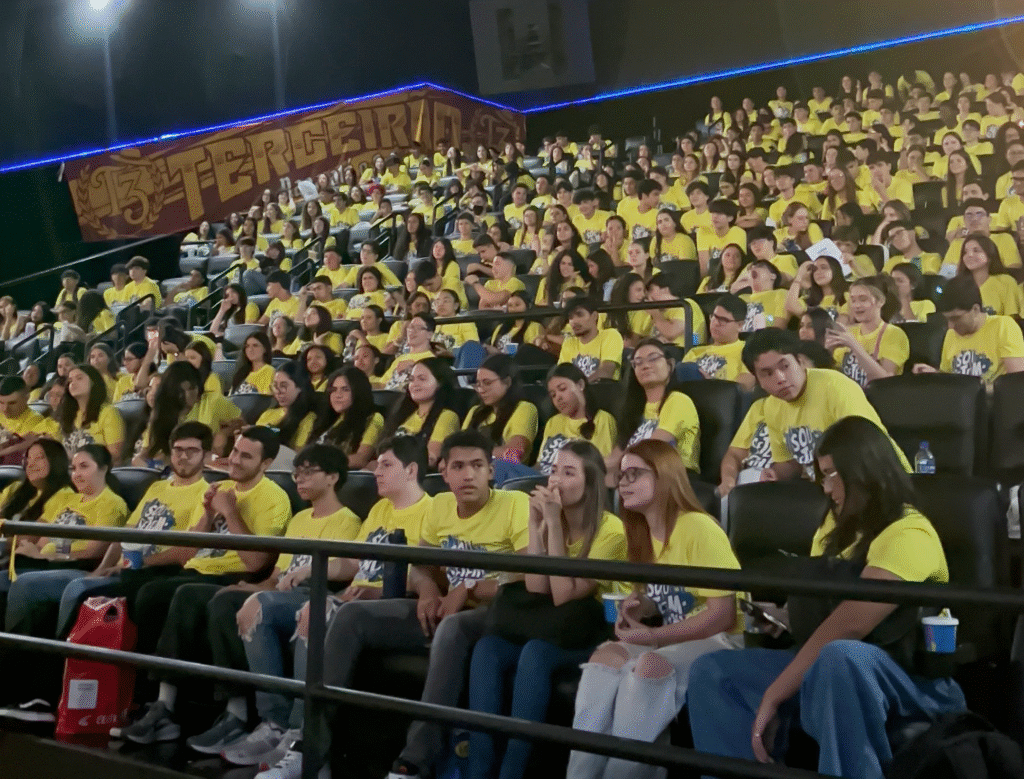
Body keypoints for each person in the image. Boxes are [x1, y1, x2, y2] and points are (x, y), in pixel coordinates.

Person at [689, 416, 967, 779]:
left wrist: (775, 692)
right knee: (713, 672)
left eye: (833, 474)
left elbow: (849, 625)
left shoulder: (909, 532)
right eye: (822, 475)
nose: (826, 487)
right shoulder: (834, 527)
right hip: (832, 666)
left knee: (840, 656)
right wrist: (786, 618)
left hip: (911, 680)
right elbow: (829, 610)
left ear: (866, 472)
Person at [293, 430, 527, 779]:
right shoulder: (442, 506)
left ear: (491, 471)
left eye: (478, 465)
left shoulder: (514, 504)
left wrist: (469, 587)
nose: (468, 475)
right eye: (458, 466)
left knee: (450, 628)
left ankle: (412, 764)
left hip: (495, 612)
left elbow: (528, 575)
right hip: (444, 605)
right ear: (443, 473)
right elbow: (420, 564)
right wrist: (428, 589)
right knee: (352, 615)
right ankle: (310, 751)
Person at [214, 437, 433, 777]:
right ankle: (275, 723)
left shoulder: (432, 511)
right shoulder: (379, 509)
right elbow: (352, 566)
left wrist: (361, 594)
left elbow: (424, 578)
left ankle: (304, 737)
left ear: (412, 470)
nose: (375, 470)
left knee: (312, 612)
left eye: (385, 464)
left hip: (382, 607)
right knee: (255, 606)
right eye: (375, 463)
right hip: (350, 597)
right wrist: (313, 569)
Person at [0, 426, 210, 720]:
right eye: (177, 449)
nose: (183, 456)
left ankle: (51, 691)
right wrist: (104, 567)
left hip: (154, 572)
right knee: (24, 588)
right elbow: (125, 533)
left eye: (192, 450)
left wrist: (109, 566)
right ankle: (19, 684)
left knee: (60, 589)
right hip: (118, 568)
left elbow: (188, 549)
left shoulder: (204, 494)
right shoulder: (157, 487)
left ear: (207, 455)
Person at [170, 444, 361, 767]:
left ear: (332, 477)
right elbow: (277, 575)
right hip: (280, 594)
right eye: (296, 473)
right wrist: (252, 587)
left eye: (308, 472)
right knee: (230, 599)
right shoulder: (300, 518)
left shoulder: (347, 521)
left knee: (258, 604)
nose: (299, 479)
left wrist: (261, 593)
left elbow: (340, 573)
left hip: (313, 595)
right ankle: (268, 720)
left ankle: (293, 727)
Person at [567, 438, 741, 779]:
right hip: (673, 640)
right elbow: (667, 600)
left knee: (647, 665)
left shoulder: (697, 526)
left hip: (724, 641)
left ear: (664, 476)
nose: (624, 482)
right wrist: (639, 609)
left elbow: (723, 615)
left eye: (635, 474)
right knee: (605, 657)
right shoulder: (640, 531)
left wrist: (654, 636)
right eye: (622, 475)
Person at [120, 427, 291, 743]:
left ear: (266, 463)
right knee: (150, 593)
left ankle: (201, 709)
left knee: (187, 595)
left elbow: (257, 563)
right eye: (235, 452)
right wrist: (209, 515)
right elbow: (192, 551)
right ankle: (155, 701)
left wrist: (230, 512)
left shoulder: (274, 497)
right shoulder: (222, 486)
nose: (235, 461)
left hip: (238, 575)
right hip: (200, 569)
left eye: (246, 456)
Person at [468, 441, 627, 779]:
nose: (556, 480)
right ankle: (477, 769)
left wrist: (553, 525)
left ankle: (513, 770)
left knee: (536, 654)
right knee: (488, 649)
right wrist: (534, 520)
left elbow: (563, 595)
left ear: (590, 482)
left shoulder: (611, 530)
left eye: (569, 473)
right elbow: (536, 586)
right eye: (554, 470)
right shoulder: (552, 519)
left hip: (589, 631)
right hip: (550, 626)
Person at [742, 328, 905, 481]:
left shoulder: (835, 386)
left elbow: (866, 452)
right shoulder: (772, 407)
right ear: (758, 381)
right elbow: (790, 463)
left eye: (785, 366)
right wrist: (775, 474)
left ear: (800, 362)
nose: (780, 378)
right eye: (767, 373)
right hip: (830, 489)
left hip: (881, 479)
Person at [605, 339, 700, 482]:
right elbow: (615, 458)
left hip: (674, 478)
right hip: (636, 474)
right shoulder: (633, 409)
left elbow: (651, 448)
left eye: (653, 358)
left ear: (670, 365)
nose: (646, 366)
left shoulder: (678, 400)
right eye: (638, 362)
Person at [913, 274, 1024, 385]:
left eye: (956, 318)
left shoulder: (1004, 326)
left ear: (975, 309)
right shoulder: (951, 334)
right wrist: (935, 374)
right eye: (947, 319)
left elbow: (1015, 383)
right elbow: (949, 378)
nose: (950, 326)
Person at [463, 355, 539, 480]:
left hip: (507, 480)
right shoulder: (475, 412)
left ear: (507, 382)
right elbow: (458, 447)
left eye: (487, 383)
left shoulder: (524, 408)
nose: (481, 390)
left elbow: (513, 454)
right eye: (478, 384)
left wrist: (469, 454)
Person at [535, 363, 617, 476]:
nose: (558, 398)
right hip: (543, 479)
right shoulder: (553, 422)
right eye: (553, 395)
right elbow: (541, 463)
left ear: (580, 385)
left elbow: (600, 466)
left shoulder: (602, 419)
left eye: (562, 389)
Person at [825, 278, 909, 387]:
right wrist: (828, 351)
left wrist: (853, 345)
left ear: (881, 301)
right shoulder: (849, 332)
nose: (856, 305)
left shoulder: (894, 334)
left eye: (863, 299)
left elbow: (886, 381)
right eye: (853, 300)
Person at [380, 357, 460, 469]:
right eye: (411, 379)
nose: (414, 384)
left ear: (439, 383)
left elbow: (430, 458)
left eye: (422, 379)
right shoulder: (402, 414)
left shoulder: (447, 416)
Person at [308, 367, 382, 470]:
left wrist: (320, 463)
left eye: (345, 389)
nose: (338, 395)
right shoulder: (328, 419)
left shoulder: (372, 418)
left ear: (358, 391)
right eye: (333, 390)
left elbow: (360, 459)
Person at [679, 295, 755, 389]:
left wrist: (711, 384)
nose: (715, 323)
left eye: (723, 320)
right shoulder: (695, 352)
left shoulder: (748, 351)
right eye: (714, 317)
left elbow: (742, 388)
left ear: (740, 325)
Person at [58, 364, 125, 460]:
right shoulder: (68, 415)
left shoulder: (108, 412)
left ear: (93, 382)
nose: (73, 383)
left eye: (79, 378)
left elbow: (115, 455)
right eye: (70, 381)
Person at [954, 233, 1023, 316]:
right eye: (965, 252)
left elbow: (1011, 320)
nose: (969, 255)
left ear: (989, 255)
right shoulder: (957, 286)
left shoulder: (1006, 282)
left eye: (976, 250)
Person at [255, 362, 319, 451]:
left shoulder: (307, 418)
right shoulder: (268, 414)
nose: (278, 391)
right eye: (275, 385)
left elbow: (298, 455)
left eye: (283, 386)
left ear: (300, 387)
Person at [558, 297, 624, 382]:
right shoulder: (569, 343)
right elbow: (562, 376)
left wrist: (581, 387)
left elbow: (606, 372)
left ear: (594, 316)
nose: (574, 321)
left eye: (579, 315)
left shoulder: (610, 335)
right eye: (570, 317)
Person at [0, 376, 60, 465]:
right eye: (1, 402)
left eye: (12, 403)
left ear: (26, 398)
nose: (5, 409)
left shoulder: (35, 421)